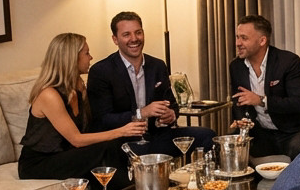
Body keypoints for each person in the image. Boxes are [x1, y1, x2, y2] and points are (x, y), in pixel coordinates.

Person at [17, 33, 146, 190]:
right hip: (39, 162)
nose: (91, 57)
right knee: (106, 148)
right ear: (70, 58)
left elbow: (88, 131)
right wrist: (122, 130)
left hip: (66, 154)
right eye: (86, 53)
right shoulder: (48, 94)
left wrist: (115, 135)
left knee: (109, 152)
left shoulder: (78, 87)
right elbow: (77, 139)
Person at [86, 12, 214, 157]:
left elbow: (172, 104)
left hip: (156, 136)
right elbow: (103, 119)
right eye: (126, 34)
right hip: (122, 142)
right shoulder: (101, 71)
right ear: (115, 39)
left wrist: (171, 115)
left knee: (207, 135)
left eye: (138, 33)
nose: (134, 39)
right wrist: (142, 113)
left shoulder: (157, 65)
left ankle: (194, 178)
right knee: (139, 151)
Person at [228, 15, 300, 159]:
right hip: (261, 132)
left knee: (299, 145)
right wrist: (242, 122)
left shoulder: (288, 62)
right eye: (237, 37)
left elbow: (298, 103)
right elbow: (238, 101)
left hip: (294, 130)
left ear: (262, 40)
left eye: (244, 38)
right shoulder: (236, 66)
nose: (238, 43)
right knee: (231, 145)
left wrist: (261, 100)